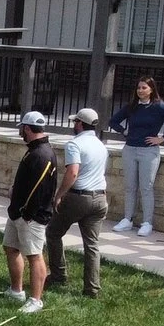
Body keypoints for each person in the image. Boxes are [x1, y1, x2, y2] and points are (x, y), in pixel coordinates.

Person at [45, 107, 111, 299]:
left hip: (77, 197)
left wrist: (59, 195)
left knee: (53, 232)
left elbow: (73, 172)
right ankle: (92, 289)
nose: (74, 125)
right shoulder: (101, 146)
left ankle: (59, 275)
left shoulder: (74, 144)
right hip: (99, 198)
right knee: (92, 245)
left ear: (80, 123)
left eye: (75, 122)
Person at [107, 75, 164, 236]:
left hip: (149, 151)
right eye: (139, 88)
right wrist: (124, 131)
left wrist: (163, 138)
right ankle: (127, 219)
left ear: (151, 89)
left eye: (144, 88)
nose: (140, 91)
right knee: (129, 186)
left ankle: (147, 222)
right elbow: (113, 121)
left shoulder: (159, 107)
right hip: (130, 149)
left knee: (146, 187)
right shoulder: (132, 106)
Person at [3, 111, 62, 314]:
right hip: (18, 213)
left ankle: (36, 300)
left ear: (27, 129)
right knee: (11, 248)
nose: (21, 131)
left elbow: (39, 189)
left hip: (30, 217)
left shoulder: (42, 154)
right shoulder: (34, 150)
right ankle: (16, 290)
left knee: (34, 256)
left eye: (22, 128)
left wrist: (26, 213)